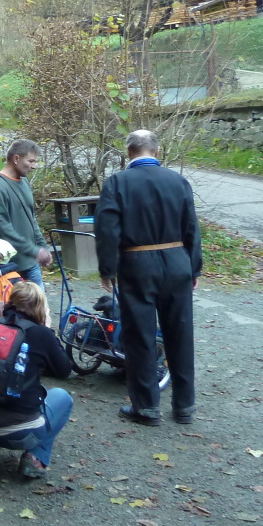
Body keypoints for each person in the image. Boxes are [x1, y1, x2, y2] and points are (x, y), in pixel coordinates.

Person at [94, 129, 202, 427]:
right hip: (177, 261)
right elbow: (191, 227)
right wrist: (194, 268)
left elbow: (106, 230)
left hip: (137, 263)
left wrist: (107, 269)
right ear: (156, 151)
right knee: (180, 333)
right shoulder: (178, 181)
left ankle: (146, 407)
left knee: (140, 335)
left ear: (128, 153)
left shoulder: (117, 182)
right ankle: (184, 406)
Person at [0, 281, 73, 482]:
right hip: (20, 432)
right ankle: (35, 458)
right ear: (40, 306)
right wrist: (48, 332)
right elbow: (64, 370)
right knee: (62, 397)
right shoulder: (41, 334)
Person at [0, 139, 53, 288]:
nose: (34, 166)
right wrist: (34, 250)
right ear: (16, 159)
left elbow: (31, 219)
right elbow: (2, 229)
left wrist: (42, 246)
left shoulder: (24, 182)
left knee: (40, 303)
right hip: (4, 268)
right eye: (31, 161)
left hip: (30, 264)